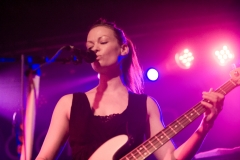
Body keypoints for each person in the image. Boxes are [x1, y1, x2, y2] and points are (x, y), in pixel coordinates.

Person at [35, 19, 225, 160]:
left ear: (123, 49)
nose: (94, 49)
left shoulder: (145, 105)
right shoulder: (69, 103)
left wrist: (204, 127)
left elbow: (171, 158)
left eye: (102, 42)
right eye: (90, 46)